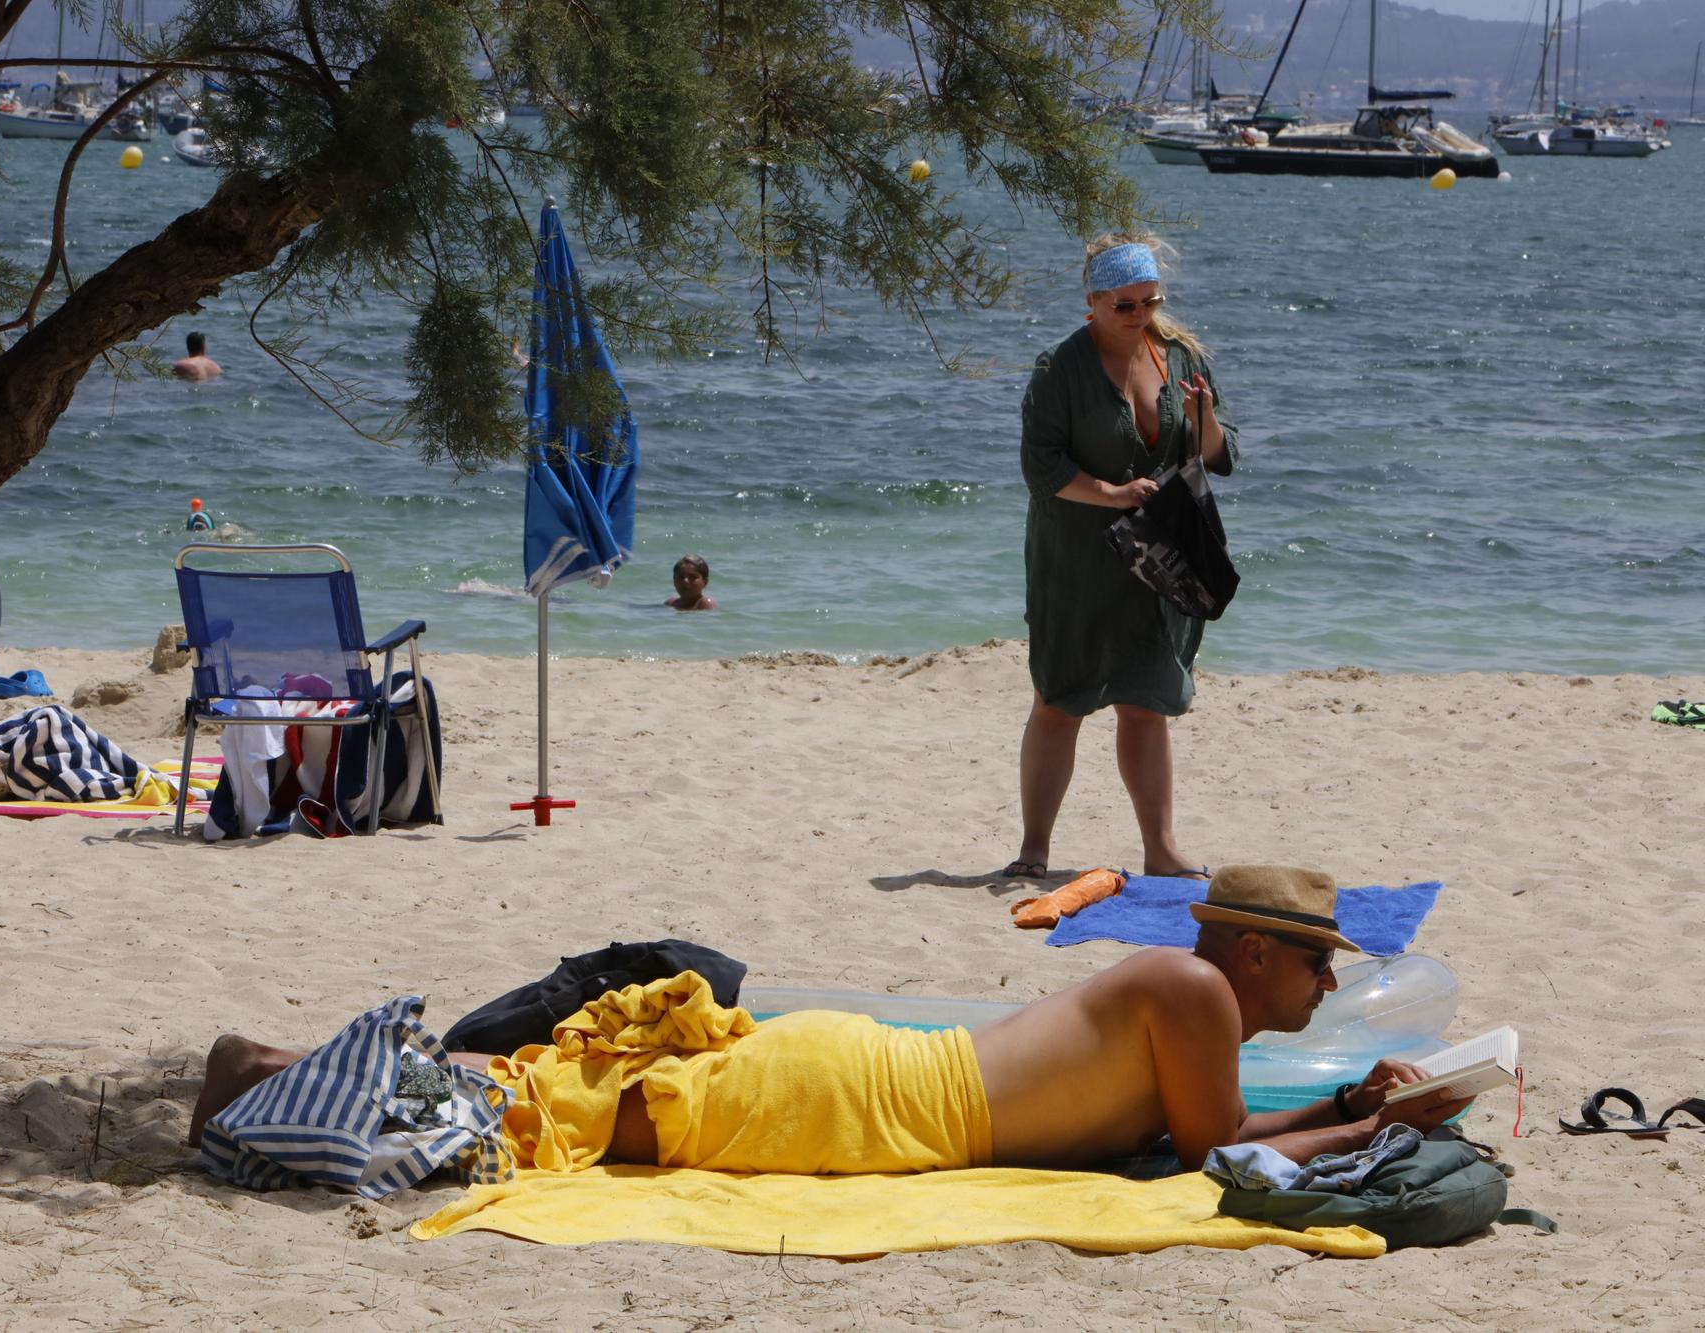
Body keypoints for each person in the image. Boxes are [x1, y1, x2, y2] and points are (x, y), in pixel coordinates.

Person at [187, 866, 1473, 1172]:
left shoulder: (1193, 998)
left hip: (871, 1087)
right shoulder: (1193, 989)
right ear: (1254, 952)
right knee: (560, 1115)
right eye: (1312, 972)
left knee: (560, 1097)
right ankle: (271, 1069)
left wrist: (1350, 1106)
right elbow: (1213, 1153)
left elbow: (1224, 1125)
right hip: (860, 1105)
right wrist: (1368, 1123)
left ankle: (286, 1068)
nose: (1319, 992)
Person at [1003, 232, 1236, 883]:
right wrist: (1109, 493)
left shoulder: (1182, 357)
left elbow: (1218, 455)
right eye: (1124, 305)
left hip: (1162, 553)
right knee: (1061, 697)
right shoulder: (1059, 369)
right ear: (1093, 302)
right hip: (1075, 557)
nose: (1139, 316)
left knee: (1146, 702)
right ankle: (1034, 847)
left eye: (1149, 302)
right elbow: (1041, 466)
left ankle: (1160, 849)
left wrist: (1205, 417)